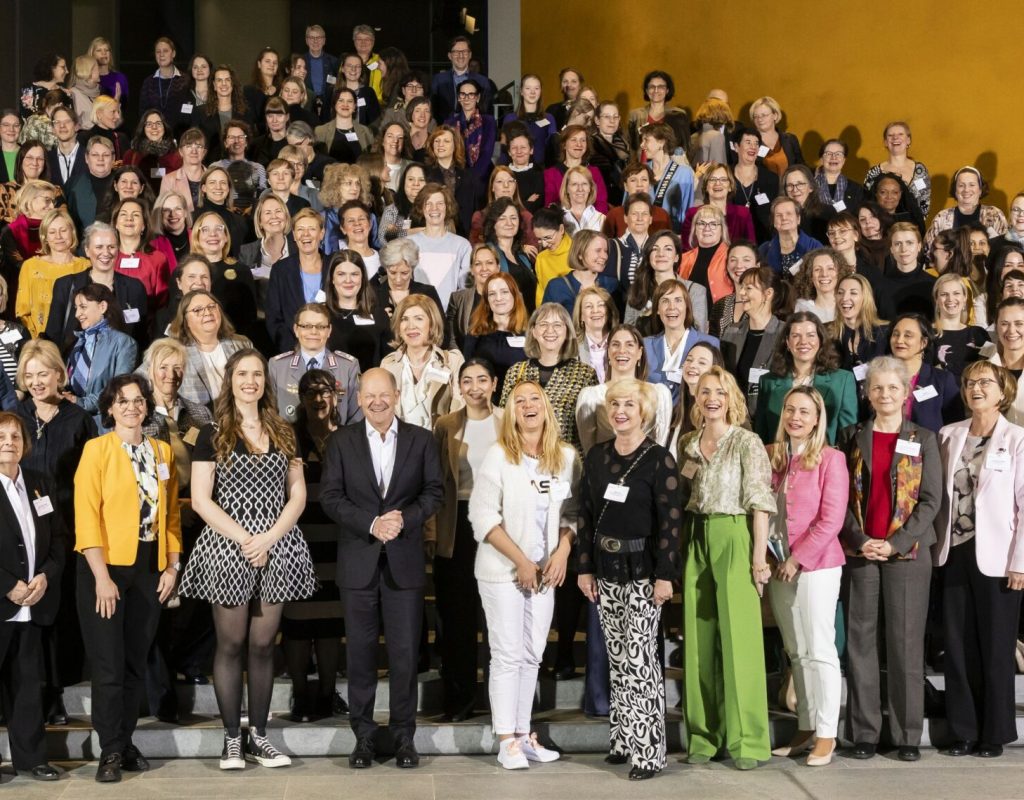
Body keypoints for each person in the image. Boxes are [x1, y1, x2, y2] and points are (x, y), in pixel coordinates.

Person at [180, 348, 317, 769]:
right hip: (228, 545)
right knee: (232, 642)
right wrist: (246, 539)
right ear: (231, 380)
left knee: (262, 645)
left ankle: (258, 735)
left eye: (257, 374)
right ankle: (230, 739)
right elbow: (201, 501)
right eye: (243, 374)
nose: (250, 381)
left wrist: (270, 537)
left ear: (265, 382)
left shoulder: (284, 430)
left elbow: (298, 493)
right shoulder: (213, 432)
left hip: (276, 546)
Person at [319, 367, 442, 768]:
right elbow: (331, 497)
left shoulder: (422, 440)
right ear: (358, 399)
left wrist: (402, 519)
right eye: (369, 395)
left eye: (384, 394)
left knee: (406, 655)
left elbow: (434, 492)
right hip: (358, 564)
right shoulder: (341, 442)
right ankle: (365, 738)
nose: (377, 401)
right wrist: (372, 523)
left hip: (404, 564)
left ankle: (405, 737)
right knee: (360, 655)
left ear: (397, 394)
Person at [74, 374, 182, 782]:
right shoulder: (96, 450)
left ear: (147, 406)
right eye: (123, 401)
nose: (132, 407)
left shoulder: (162, 451)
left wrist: (172, 566)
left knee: (136, 661)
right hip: (104, 569)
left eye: (138, 400)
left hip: (149, 568)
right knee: (108, 665)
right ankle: (109, 751)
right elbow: (86, 517)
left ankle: (124, 740)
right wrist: (102, 577)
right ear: (110, 408)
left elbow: (171, 514)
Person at [469, 379, 578, 770]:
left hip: (546, 572)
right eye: (519, 401)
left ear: (546, 408)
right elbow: (481, 516)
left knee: (533, 654)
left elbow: (571, 514)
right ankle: (505, 740)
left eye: (535, 399)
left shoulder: (565, 457)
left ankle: (522, 732)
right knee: (507, 653)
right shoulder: (500, 455)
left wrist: (563, 551)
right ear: (511, 411)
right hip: (503, 571)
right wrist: (521, 561)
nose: (528, 405)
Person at [576, 378, 678, 779]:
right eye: (614, 404)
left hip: (644, 573)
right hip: (606, 569)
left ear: (644, 413)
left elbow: (671, 523)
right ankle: (623, 739)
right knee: (618, 658)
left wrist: (665, 576)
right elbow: (585, 515)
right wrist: (585, 567)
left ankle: (649, 752)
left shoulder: (659, 459)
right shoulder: (598, 457)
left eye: (629, 406)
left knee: (641, 661)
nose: (620, 411)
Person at [842, 356, 942, 762]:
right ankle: (865, 732)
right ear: (868, 393)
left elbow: (932, 500)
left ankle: (905, 735)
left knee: (904, 644)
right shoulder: (851, 435)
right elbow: (841, 498)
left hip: (908, 553)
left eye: (892, 388)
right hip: (863, 551)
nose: (884, 394)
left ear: (905, 393)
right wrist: (860, 538)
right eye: (877, 388)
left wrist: (896, 542)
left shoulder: (924, 438)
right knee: (861, 643)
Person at [678, 366, 774, 769]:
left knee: (741, 643)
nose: (711, 398)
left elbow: (760, 501)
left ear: (731, 397)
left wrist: (758, 558)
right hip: (696, 535)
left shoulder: (746, 442)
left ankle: (748, 741)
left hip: (735, 535)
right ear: (696, 399)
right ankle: (703, 737)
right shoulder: (688, 444)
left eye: (718, 391)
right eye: (704, 391)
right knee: (699, 642)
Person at [935, 361, 1024, 758]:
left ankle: (994, 733)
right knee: (957, 645)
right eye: (970, 382)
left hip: (1000, 557)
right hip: (953, 551)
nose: (975, 388)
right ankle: (963, 731)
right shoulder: (948, 435)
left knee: (996, 646)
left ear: (1003, 391)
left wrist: (1020, 561)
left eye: (985, 382)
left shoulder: (1018, 439)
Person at [765, 387, 849, 767]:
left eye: (804, 412)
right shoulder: (775, 456)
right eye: (790, 410)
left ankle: (827, 734)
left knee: (819, 649)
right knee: (796, 651)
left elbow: (831, 520)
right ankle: (806, 725)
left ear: (817, 419)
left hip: (816, 564)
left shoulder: (832, 459)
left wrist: (797, 559)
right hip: (778, 564)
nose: (795, 417)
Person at [14, 340, 96, 724]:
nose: (35, 382)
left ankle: (59, 691)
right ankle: (34, 692)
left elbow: (92, 478)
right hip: (22, 530)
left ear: (59, 373)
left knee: (60, 613)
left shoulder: (78, 419)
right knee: (30, 616)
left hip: (67, 528)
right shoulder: (12, 416)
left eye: (42, 373)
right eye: (28, 376)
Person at [432, 359, 502, 720]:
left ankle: (500, 700)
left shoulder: (509, 421)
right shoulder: (445, 425)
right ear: (459, 387)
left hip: (501, 526)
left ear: (493, 384)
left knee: (499, 616)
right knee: (457, 616)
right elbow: (436, 479)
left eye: (481, 380)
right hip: (457, 526)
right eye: (467, 381)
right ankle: (459, 698)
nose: (475, 387)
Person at [0, 411, 64, 783]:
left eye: (15, 436)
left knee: (27, 685)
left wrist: (44, 577)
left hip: (33, 604)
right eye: (2, 435)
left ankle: (31, 759)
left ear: (25, 443)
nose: (9, 442)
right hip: (3, 600)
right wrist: (7, 584)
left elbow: (58, 539)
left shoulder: (40, 483)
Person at [281, 367, 347, 722]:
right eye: (310, 393)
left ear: (335, 396)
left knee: (330, 623)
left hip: (337, 542)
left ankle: (326, 692)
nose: (319, 399)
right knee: (297, 622)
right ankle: (301, 695)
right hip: (297, 541)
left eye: (324, 392)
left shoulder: (349, 436)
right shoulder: (289, 438)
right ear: (301, 399)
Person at [499, 302, 597, 454]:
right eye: (543, 324)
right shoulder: (515, 372)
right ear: (533, 331)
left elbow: (591, 428)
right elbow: (505, 420)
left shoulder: (585, 374)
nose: (550, 330)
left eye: (557, 325)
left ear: (567, 332)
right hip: (522, 459)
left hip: (568, 461)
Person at [45, 222, 148, 355]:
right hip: (74, 367)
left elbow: (141, 337)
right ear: (87, 250)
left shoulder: (135, 288)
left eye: (111, 247)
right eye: (99, 247)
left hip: (121, 369)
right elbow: (53, 334)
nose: (106, 253)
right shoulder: (65, 285)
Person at [755, 312, 857, 443]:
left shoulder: (843, 380)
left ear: (820, 340)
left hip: (825, 460)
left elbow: (848, 436)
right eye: (796, 335)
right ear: (787, 342)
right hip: (779, 460)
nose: (803, 341)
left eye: (810, 335)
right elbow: (762, 435)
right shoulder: (768, 382)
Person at [576, 323, 672, 452]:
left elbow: (660, 447)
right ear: (608, 351)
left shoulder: (659, 394)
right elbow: (589, 451)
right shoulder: (591, 397)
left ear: (640, 353)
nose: (622, 350)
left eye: (629, 344)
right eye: (615, 344)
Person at [380, 294, 464, 429]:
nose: (410, 326)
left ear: (432, 324)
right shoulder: (388, 364)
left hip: (439, 445)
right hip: (399, 446)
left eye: (418, 319)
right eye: (404, 319)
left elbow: (459, 410)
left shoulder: (452, 361)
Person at [269, 303, 361, 424]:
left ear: (329, 331)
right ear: (296, 330)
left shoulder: (349, 366)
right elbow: (270, 415)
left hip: (336, 440)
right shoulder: (277, 366)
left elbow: (356, 417)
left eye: (321, 327)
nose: (314, 332)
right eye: (306, 326)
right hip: (290, 440)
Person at [63, 284, 138, 428]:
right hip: (71, 420)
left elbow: (118, 388)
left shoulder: (124, 343)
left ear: (102, 306)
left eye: (83, 307)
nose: (77, 314)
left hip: (101, 425)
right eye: (76, 308)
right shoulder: (77, 341)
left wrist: (80, 402)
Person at [721, 267, 788, 413]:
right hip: (733, 415)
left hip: (769, 415)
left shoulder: (785, 333)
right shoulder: (731, 331)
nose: (742, 292)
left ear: (768, 294)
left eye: (749, 288)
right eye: (742, 287)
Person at [170, 289, 252, 408]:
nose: (207, 312)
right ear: (185, 320)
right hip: (198, 423)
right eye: (197, 310)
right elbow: (142, 381)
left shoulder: (242, 343)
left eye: (212, 307)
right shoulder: (174, 351)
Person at [15, 208, 89, 338]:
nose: (58, 237)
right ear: (45, 237)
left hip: (77, 341)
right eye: (52, 232)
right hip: (39, 342)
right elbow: (22, 311)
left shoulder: (86, 266)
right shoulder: (30, 267)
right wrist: (36, 341)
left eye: (63, 231)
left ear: (72, 232)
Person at [643, 278, 720, 402]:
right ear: (657, 309)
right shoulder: (645, 345)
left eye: (678, 300)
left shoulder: (710, 343)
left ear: (687, 307)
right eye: (665, 301)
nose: (671, 307)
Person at [264, 209, 327, 353]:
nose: (306, 234)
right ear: (294, 235)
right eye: (300, 229)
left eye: (312, 229)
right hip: (293, 350)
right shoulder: (281, 270)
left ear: (321, 234)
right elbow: (274, 317)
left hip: (330, 349)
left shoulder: (334, 266)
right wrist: (293, 349)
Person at [888, 312, 963, 431]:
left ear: (924, 342)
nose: (899, 340)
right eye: (895, 334)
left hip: (928, 448)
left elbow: (956, 426)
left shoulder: (942, 380)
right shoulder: (881, 377)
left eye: (908, 335)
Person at [462, 272, 530, 398]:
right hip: (485, 403)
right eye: (492, 294)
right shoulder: (475, 334)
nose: (498, 298)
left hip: (518, 402)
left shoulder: (530, 335)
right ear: (487, 300)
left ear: (514, 295)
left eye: (504, 292)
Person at [408, 183, 472, 310]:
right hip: (418, 313)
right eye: (428, 204)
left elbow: (466, 289)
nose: (434, 209)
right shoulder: (409, 243)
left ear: (447, 207)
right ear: (422, 208)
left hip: (451, 317)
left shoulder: (462, 245)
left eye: (439, 203)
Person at [323, 250, 390, 372]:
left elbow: (389, 361)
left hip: (369, 388)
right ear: (332, 278)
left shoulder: (379, 315)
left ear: (363, 278)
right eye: (341, 274)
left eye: (354, 274)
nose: (348, 280)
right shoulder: (320, 315)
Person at [925, 166, 1009, 251]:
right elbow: (928, 251)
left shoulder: (994, 215)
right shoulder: (942, 217)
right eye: (961, 185)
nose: (966, 189)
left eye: (972, 185)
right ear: (955, 190)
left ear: (980, 190)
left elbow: (1004, 250)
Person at [542, 230, 619, 316]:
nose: (605, 256)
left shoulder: (612, 285)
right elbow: (545, 320)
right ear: (580, 254)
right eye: (598, 250)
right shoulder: (556, 287)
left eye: (606, 251)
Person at [864, 121, 931, 217]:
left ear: (908, 140)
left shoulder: (920, 170)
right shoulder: (874, 172)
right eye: (890, 135)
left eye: (900, 134)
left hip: (911, 228)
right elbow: (868, 204)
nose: (895, 138)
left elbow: (924, 205)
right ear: (885, 142)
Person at [424, 126, 481, 237]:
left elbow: (475, 209)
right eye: (437, 141)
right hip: (434, 235)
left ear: (455, 145)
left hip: (464, 236)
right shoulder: (425, 174)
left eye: (446, 141)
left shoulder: (468, 176)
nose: (441, 144)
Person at [681, 164, 756, 246]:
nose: (717, 183)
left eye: (723, 180)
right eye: (712, 179)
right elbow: (686, 249)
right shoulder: (693, 214)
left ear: (730, 186)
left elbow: (751, 247)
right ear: (706, 186)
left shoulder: (743, 214)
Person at [933, 273, 989, 379]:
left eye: (956, 293)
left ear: (964, 298)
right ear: (936, 299)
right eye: (944, 294)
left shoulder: (979, 334)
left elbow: (989, 368)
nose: (950, 299)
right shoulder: (926, 334)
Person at [730, 126, 780, 244]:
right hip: (730, 237)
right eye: (748, 142)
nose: (753, 146)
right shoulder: (725, 175)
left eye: (756, 143)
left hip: (762, 239)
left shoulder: (770, 178)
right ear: (737, 147)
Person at [543, 125, 609, 213]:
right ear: (564, 145)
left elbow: (601, 203)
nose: (579, 144)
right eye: (573, 140)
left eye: (583, 140)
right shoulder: (550, 173)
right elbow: (550, 205)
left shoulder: (594, 172)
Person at [376, 239, 445, 322]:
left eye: (404, 273)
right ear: (385, 268)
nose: (398, 280)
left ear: (412, 268)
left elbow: (441, 329)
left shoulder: (427, 293)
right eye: (393, 273)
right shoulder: (372, 294)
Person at [449, 242, 501, 351]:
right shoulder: (458, 298)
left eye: (490, 263)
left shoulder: (512, 297)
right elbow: (450, 336)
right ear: (472, 270)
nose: (484, 268)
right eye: (478, 264)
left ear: (498, 267)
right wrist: (458, 358)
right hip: (465, 361)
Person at [625, 70, 689, 156]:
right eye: (652, 87)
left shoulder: (677, 114)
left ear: (667, 90)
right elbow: (630, 145)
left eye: (661, 87)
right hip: (642, 166)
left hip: (669, 166)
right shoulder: (635, 115)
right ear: (647, 90)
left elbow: (685, 146)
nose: (656, 90)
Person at [430, 36, 491, 124]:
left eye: (464, 52)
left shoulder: (482, 81)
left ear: (470, 55)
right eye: (456, 52)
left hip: (474, 130)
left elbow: (486, 110)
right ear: (449, 56)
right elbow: (433, 110)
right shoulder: (438, 80)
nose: (461, 55)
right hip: (445, 130)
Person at [679, 204, 732, 304]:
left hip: (722, 317)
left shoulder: (731, 257)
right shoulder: (683, 259)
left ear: (722, 230)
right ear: (695, 230)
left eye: (713, 224)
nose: (707, 228)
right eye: (701, 223)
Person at [708, 240, 762, 337]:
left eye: (746, 260)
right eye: (733, 260)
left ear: (757, 265)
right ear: (727, 265)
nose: (739, 265)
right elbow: (713, 345)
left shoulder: (767, 302)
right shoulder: (719, 306)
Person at [758, 197, 823, 274]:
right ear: (774, 222)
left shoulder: (814, 246)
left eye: (789, 213)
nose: (784, 218)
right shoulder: (764, 249)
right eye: (779, 215)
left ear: (798, 219)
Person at [124, 110, 182, 195]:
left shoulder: (177, 156)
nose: (154, 127)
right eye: (149, 124)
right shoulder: (131, 155)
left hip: (168, 203)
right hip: (140, 204)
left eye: (158, 123)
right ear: (143, 128)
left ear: (164, 127)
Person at [314, 87, 374, 165]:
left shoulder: (366, 132)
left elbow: (372, 162)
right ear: (334, 105)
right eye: (341, 100)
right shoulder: (320, 131)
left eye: (350, 101)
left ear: (355, 106)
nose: (345, 104)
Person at [572, 284, 619, 382]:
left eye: (601, 305)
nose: (595, 310)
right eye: (589, 306)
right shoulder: (571, 348)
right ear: (581, 316)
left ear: (609, 312)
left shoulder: (623, 343)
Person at [748, 96, 803, 177]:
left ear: (775, 115)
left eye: (764, 115)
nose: (759, 119)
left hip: (790, 188)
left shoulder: (790, 139)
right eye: (756, 116)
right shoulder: (749, 143)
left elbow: (801, 166)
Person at [989, 298, 1024, 425]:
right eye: (1004, 323)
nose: (1011, 330)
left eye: (1019, 323)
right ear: (996, 326)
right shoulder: (985, 370)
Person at [792, 247, 849, 323]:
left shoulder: (850, 305)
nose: (824, 274)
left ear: (840, 273)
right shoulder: (802, 309)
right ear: (810, 276)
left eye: (830, 268)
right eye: (817, 269)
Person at [158, 128, 207, 212]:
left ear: (204, 152)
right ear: (181, 151)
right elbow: (163, 212)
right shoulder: (168, 180)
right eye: (188, 146)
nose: (194, 151)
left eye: (198, 146)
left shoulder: (213, 177)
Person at [532, 204, 572, 306]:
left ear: (561, 229)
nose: (544, 244)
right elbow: (541, 293)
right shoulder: (541, 258)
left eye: (548, 237)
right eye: (539, 239)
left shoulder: (578, 251)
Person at [813, 139, 864, 213]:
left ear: (844, 160)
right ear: (821, 159)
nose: (833, 157)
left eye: (838, 154)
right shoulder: (809, 187)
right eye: (828, 154)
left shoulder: (856, 189)